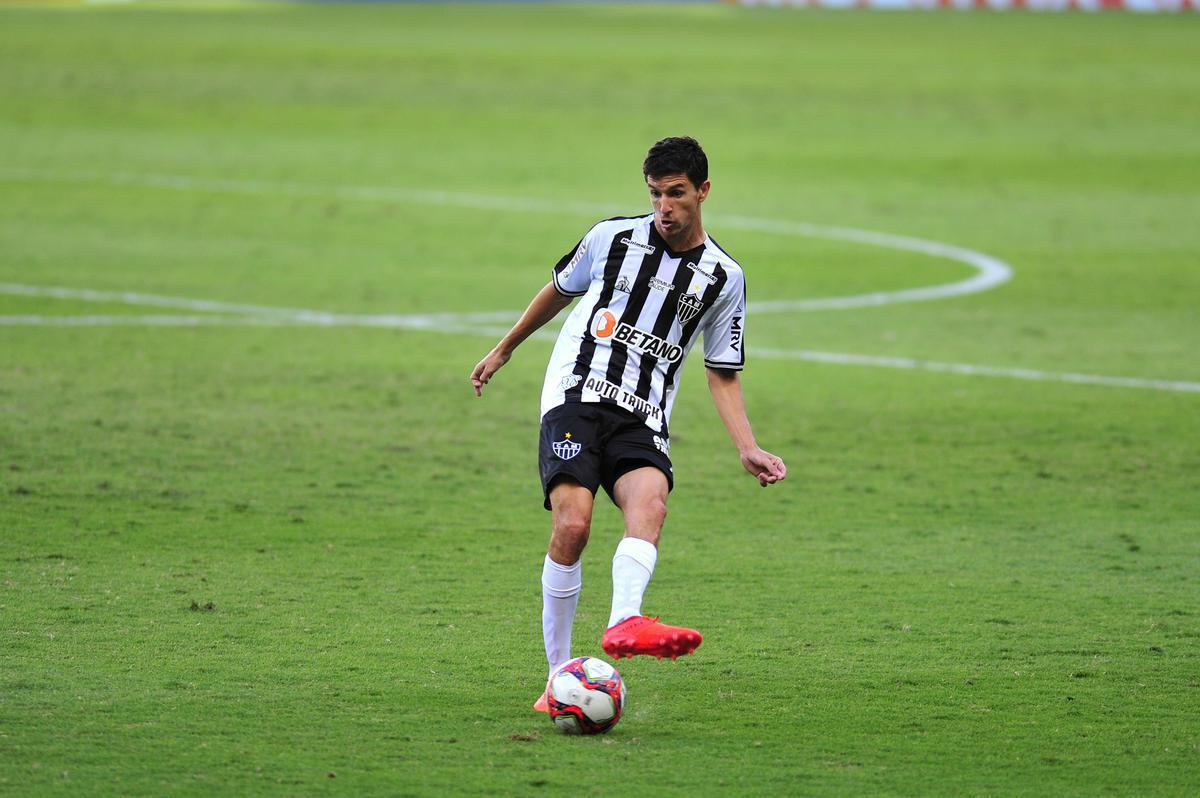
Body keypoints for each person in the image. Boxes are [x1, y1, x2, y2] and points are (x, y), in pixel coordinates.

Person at [469, 136, 786, 712]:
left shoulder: (724, 278)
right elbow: (558, 292)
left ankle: (624, 621)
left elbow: (723, 372)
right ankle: (556, 677)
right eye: (655, 194)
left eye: (676, 194)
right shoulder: (610, 238)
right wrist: (505, 348)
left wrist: (747, 447)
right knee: (574, 527)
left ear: (703, 192)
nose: (664, 207)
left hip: (644, 413)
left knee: (651, 507)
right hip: (576, 396)